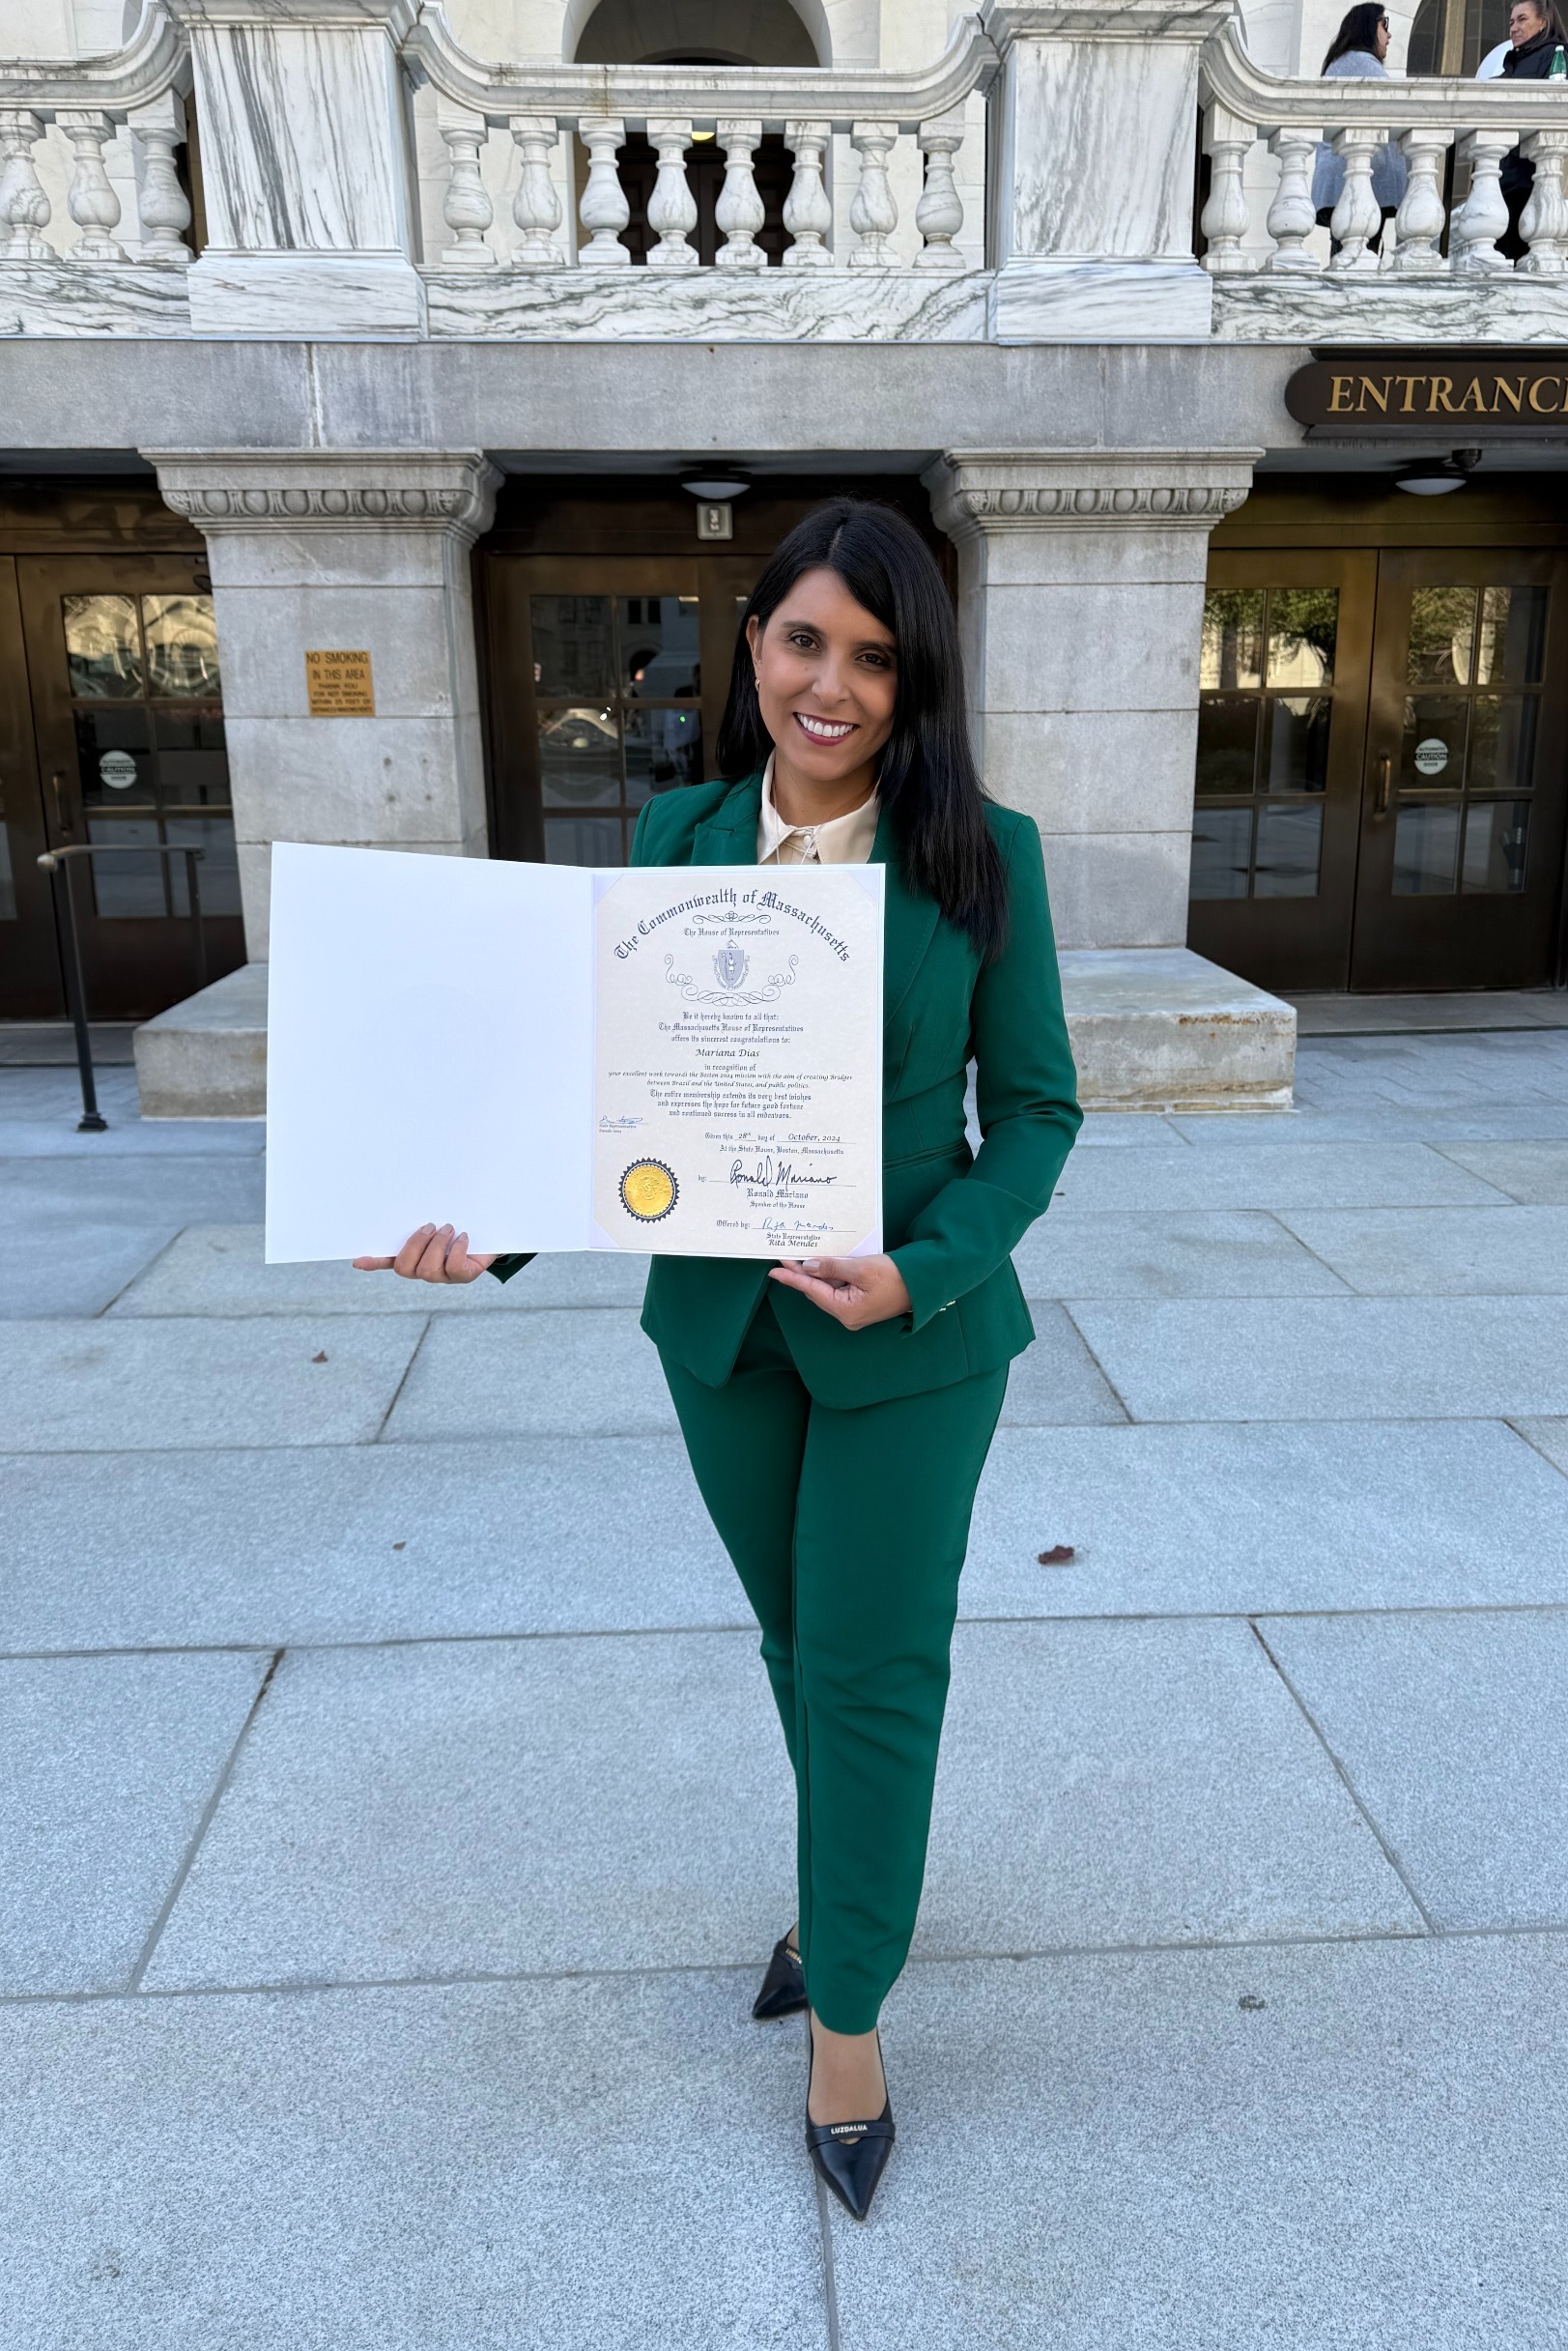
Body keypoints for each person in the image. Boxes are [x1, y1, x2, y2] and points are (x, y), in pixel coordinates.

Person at [355, 499, 1082, 2225]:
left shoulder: (985, 852)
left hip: (905, 1341)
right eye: (804, 642)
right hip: (721, 1330)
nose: (831, 686)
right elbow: (604, 1108)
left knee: (872, 1666)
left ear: (917, 682)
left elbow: (1038, 1112)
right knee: (791, 1635)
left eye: (875, 658)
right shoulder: (673, 832)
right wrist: (482, 1230)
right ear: (752, 646)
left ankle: (848, 2015)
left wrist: (922, 1271)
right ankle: (841, 1894)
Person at [1311, 2, 1408, 240]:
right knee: (1360, 259)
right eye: (1384, 25)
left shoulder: (1340, 63)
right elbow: (1396, 108)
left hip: (1341, 180)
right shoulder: (1362, 63)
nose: (1389, 34)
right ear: (1368, 28)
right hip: (1361, 182)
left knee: (1347, 256)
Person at [1496, 0, 1568, 257]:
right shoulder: (1513, 62)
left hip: (1527, 180)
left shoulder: (1555, 55)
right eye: (1512, 22)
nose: (1514, 27)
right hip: (1503, 176)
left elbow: (1552, 109)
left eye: (1522, 19)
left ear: (1543, 22)